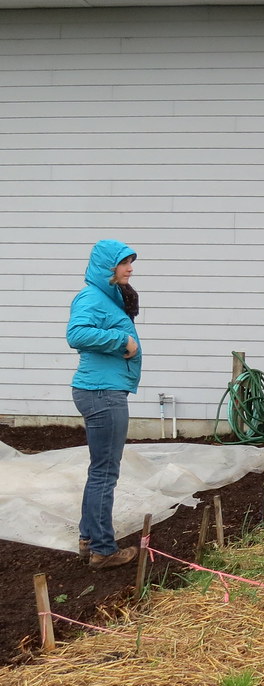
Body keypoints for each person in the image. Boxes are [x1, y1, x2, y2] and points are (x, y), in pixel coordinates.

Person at [66, 240, 142, 570]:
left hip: (104, 389)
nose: (130, 268)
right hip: (102, 392)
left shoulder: (108, 296)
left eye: (130, 263)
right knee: (105, 473)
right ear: (107, 266)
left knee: (100, 470)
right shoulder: (91, 296)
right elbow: (76, 334)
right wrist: (122, 341)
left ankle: (89, 539)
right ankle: (102, 549)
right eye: (124, 263)